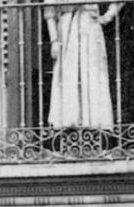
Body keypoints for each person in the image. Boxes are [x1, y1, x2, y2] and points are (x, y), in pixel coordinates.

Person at [45, 1, 123, 129]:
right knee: (68, 75)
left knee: (92, 73)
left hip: (90, 28)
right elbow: (49, 12)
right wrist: (53, 40)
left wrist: (107, 17)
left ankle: (94, 124)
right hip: (66, 32)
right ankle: (69, 125)